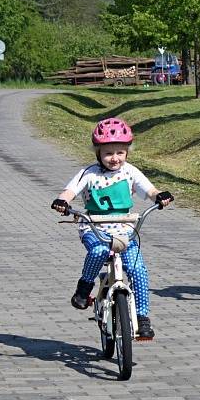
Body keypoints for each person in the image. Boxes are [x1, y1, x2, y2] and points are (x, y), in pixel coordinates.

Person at [51, 117, 173, 339]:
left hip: (125, 228)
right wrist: (63, 201)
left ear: (127, 152)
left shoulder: (130, 172)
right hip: (94, 227)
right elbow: (70, 191)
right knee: (98, 251)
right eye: (108, 153)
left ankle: (142, 318)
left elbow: (149, 189)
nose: (114, 158)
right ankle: (84, 288)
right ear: (97, 153)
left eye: (120, 152)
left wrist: (159, 195)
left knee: (137, 269)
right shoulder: (89, 173)